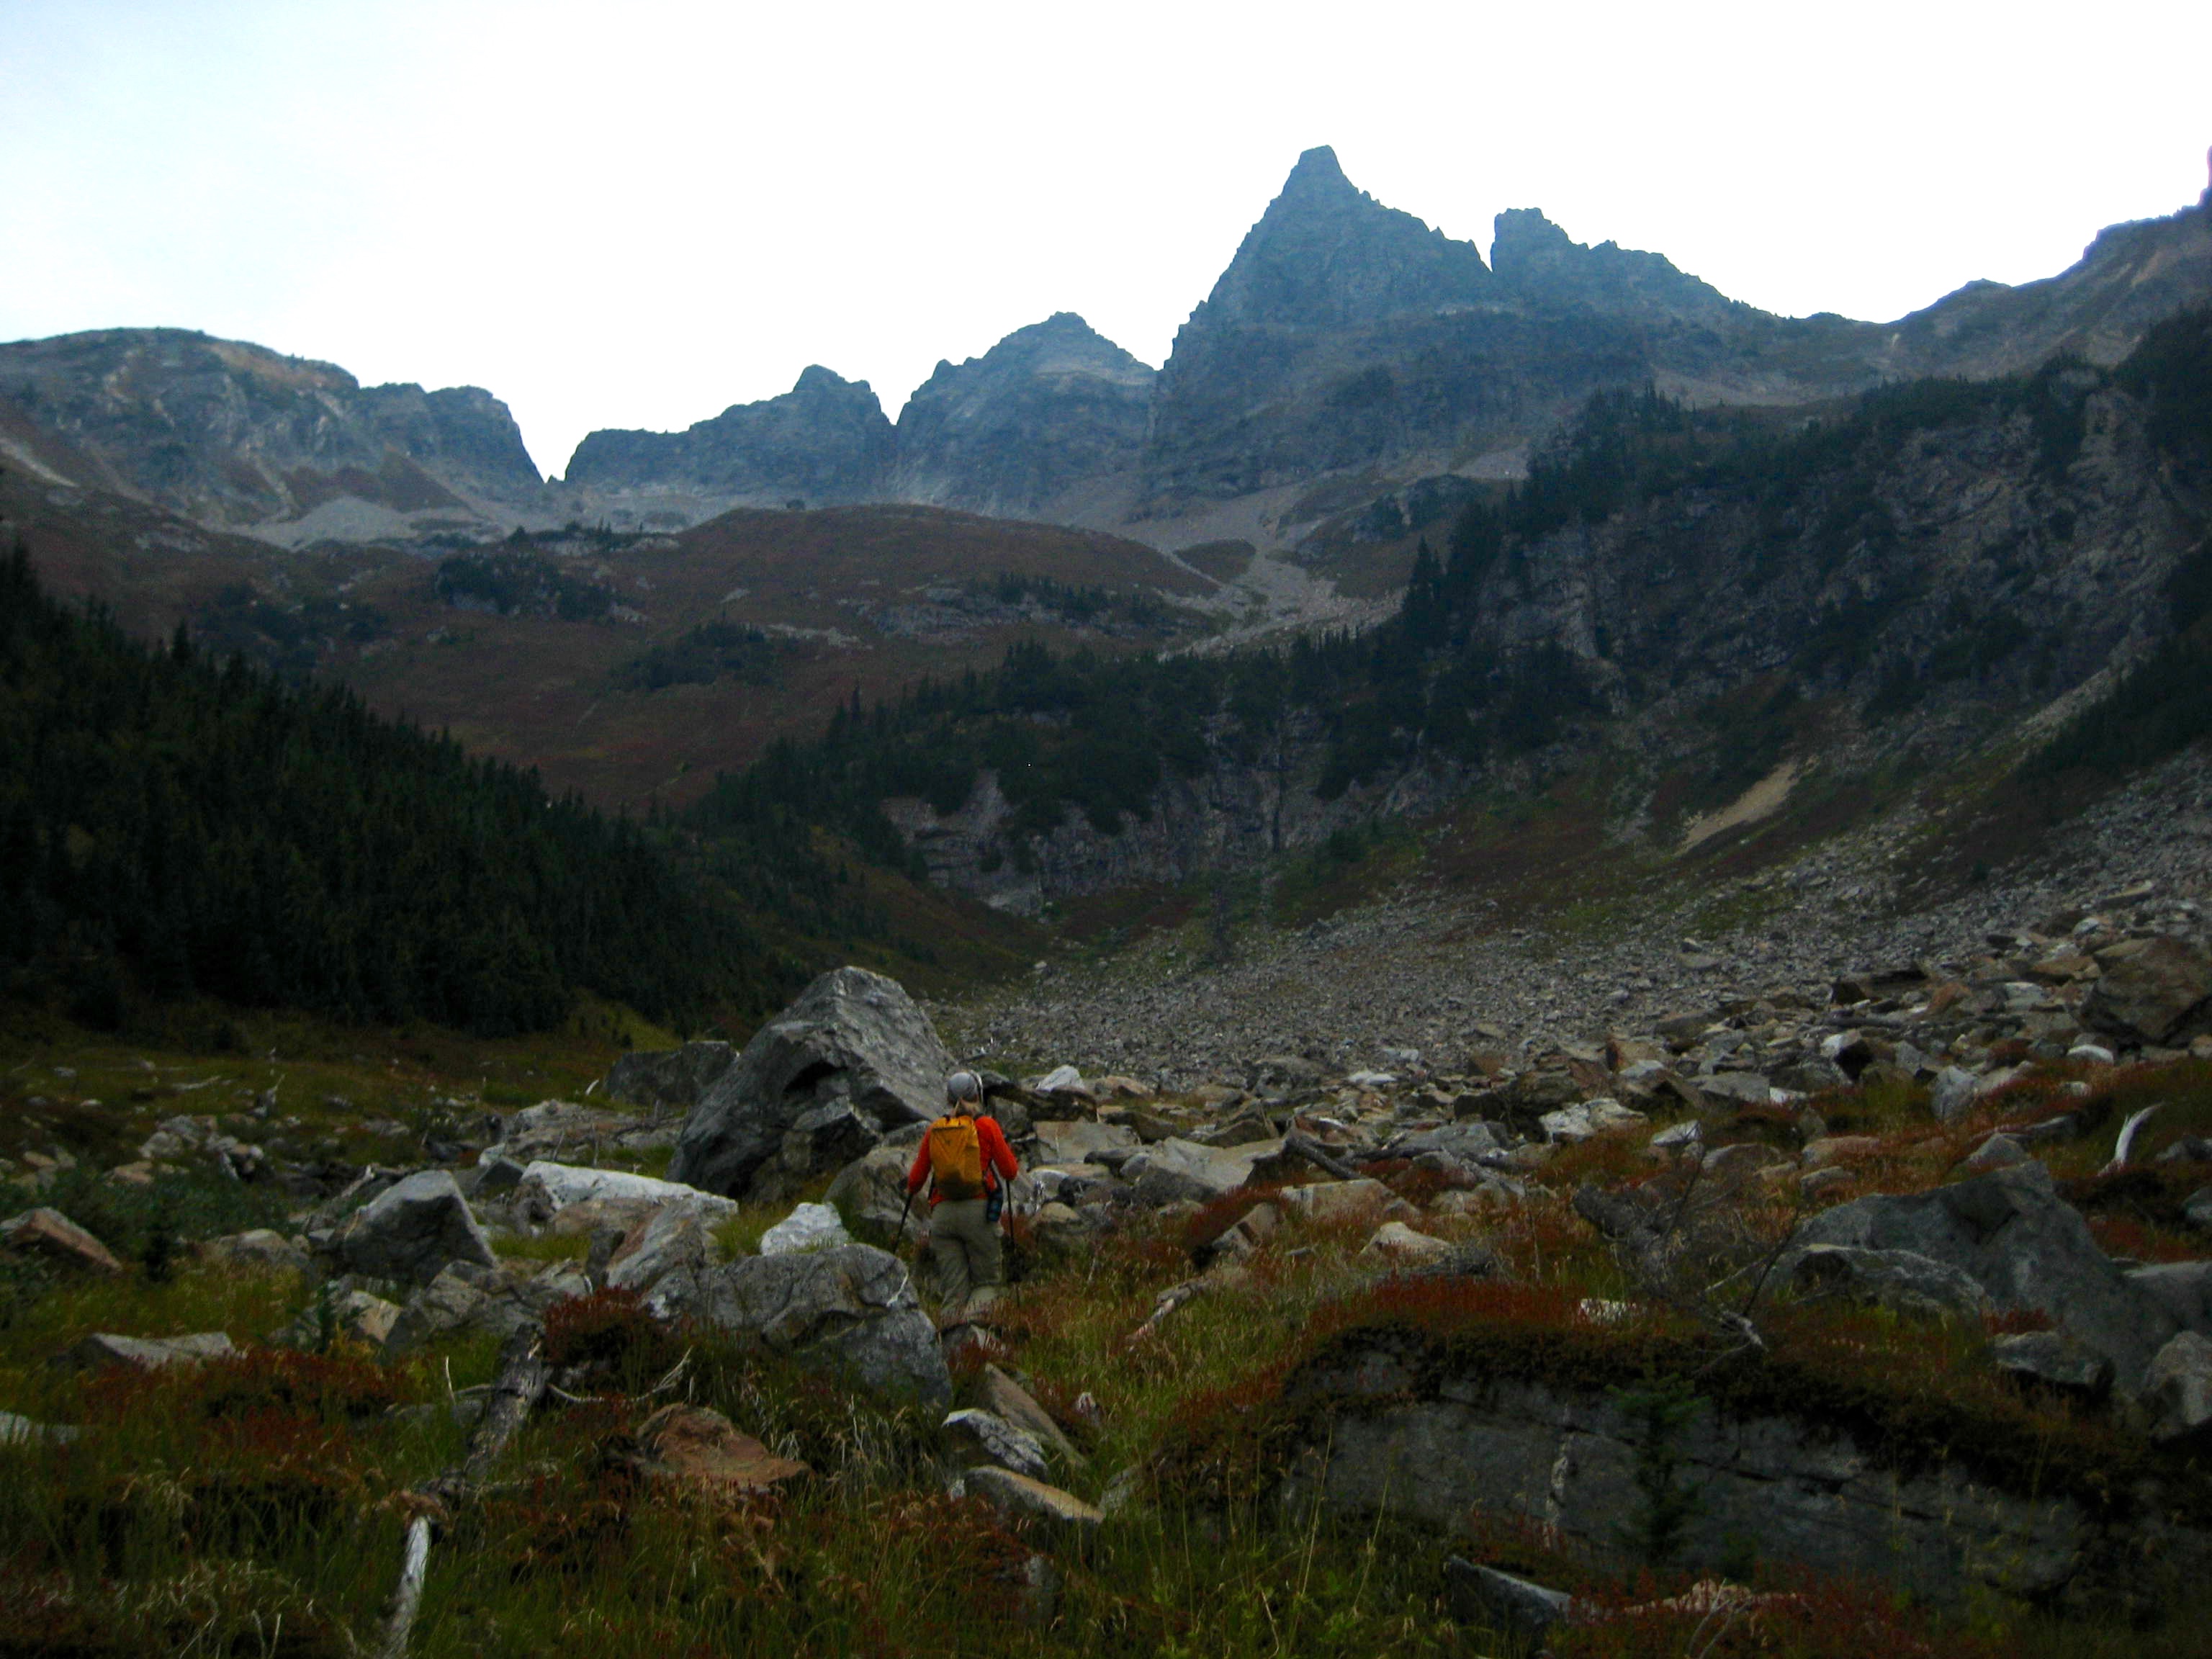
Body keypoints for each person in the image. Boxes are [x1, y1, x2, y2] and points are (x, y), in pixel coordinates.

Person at [907, 1069, 1018, 1324]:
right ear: (977, 1094)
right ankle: (974, 1338)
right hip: (979, 1213)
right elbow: (1010, 1172)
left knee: (953, 1292)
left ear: (948, 1099)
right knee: (987, 1283)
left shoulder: (936, 1130)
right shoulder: (987, 1126)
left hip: (943, 1216)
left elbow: (915, 1182)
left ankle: (948, 1346)